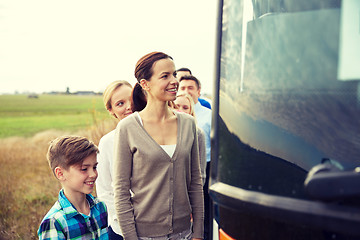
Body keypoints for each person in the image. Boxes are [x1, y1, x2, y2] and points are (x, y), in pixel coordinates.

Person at [113, 52, 204, 240]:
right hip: (144, 236)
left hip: (184, 233)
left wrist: (198, 233)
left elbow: (195, 182)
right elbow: (121, 192)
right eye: (165, 76)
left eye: (174, 74)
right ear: (145, 84)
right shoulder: (128, 128)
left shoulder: (188, 124)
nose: (174, 81)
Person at [38, 135, 109, 240]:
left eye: (94, 167)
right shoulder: (54, 222)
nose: (93, 174)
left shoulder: (101, 207)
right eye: (84, 169)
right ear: (60, 173)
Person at [96, 80, 132, 240]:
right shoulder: (107, 142)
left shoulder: (157, 135)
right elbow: (104, 190)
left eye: (132, 100)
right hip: (121, 229)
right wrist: (126, 224)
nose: (129, 106)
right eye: (120, 103)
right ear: (111, 110)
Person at [178, 75, 212, 240]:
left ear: (198, 91)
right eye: (182, 88)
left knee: (202, 211)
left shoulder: (209, 115)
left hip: (204, 167)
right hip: (180, 172)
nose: (186, 91)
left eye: (190, 87)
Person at [174, 93, 207, 186]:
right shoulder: (159, 131)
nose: (180, 110)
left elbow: (200, 173)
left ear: (190, 111)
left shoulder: (198, 134)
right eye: (176, 106)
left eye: (185, 108)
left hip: (186, 191)